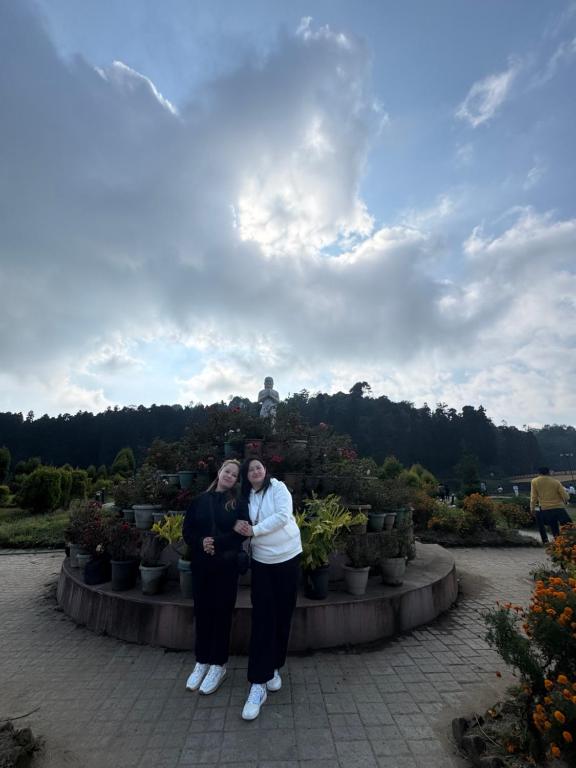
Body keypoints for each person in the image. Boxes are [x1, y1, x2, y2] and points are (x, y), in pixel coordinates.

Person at [233, 458, 302, 721]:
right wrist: (239, 527)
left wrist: (255, 530)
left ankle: (274, 666)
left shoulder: (279, 488)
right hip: (262, 563)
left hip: (288, 556)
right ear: (246, 475)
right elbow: (237, 522)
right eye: (250, 469)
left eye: (258, 467)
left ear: (265, 470)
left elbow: (284, 516)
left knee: (284, 614)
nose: (256, 471)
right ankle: (257, 683)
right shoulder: (244, 497)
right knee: (263, 618)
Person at [182, 459, 250, 695]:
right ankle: (201, 661)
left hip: (226, 567)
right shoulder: (199, 501)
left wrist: (215, 544)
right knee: (202, 613)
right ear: (219, 472)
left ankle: (218, 665)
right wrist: (201, 543)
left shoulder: (238, 503)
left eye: (234, 474)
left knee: (221, 614)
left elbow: (241, 533)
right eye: (227, 471)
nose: (230, 475)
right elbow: (187, 530)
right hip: (202, 566)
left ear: (237, 480)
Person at [530, 466, 571, 544]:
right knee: (568, 525)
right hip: (558, 508)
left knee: (553, 526)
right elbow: (565, 496)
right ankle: (569, 541)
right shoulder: (555, 482)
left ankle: (552, 542)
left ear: (539, 473)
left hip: (545, 508)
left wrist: (532, 508)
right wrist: (565, 500)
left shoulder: (534, 481)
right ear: (548, 472)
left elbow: (533, 497)